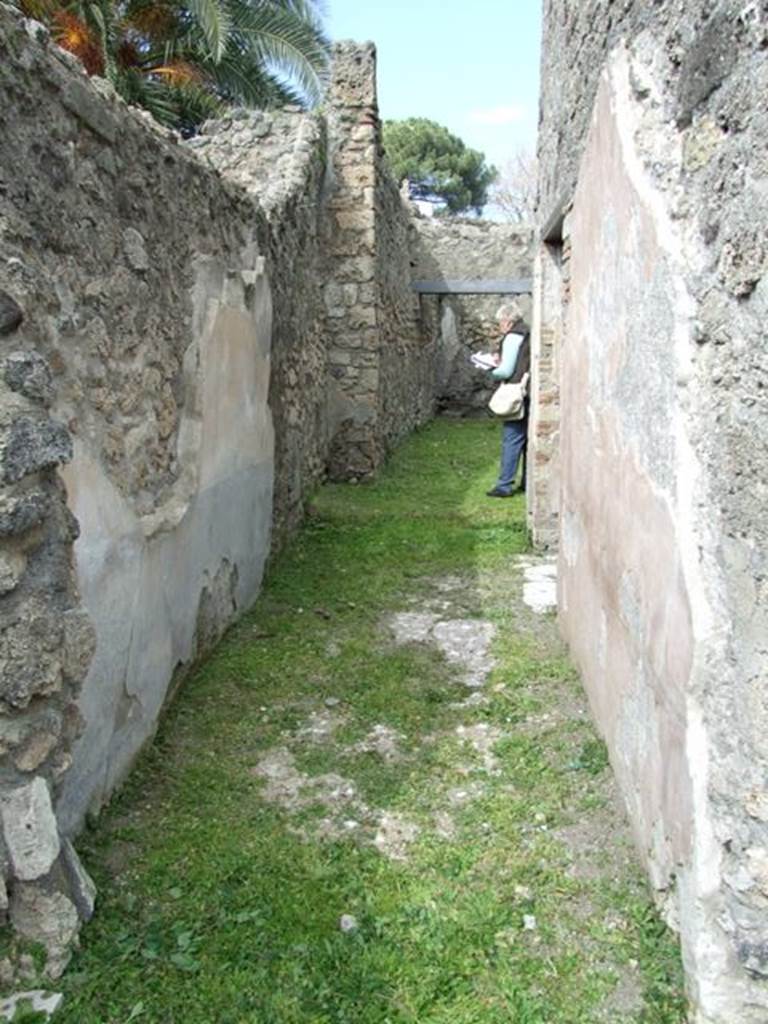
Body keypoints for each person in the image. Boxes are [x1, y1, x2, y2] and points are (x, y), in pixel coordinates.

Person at [485, 302, 530, 498]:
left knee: (512, 439)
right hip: (527, 390)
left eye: (500, 322)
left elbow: (506, 370)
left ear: (508, 321)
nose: (500, 327)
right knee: (526, 440)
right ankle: (527, 482)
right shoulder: (526, 333)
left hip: (516, 392)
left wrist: (489, 368)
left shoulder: (512, 337)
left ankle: (504, 485)